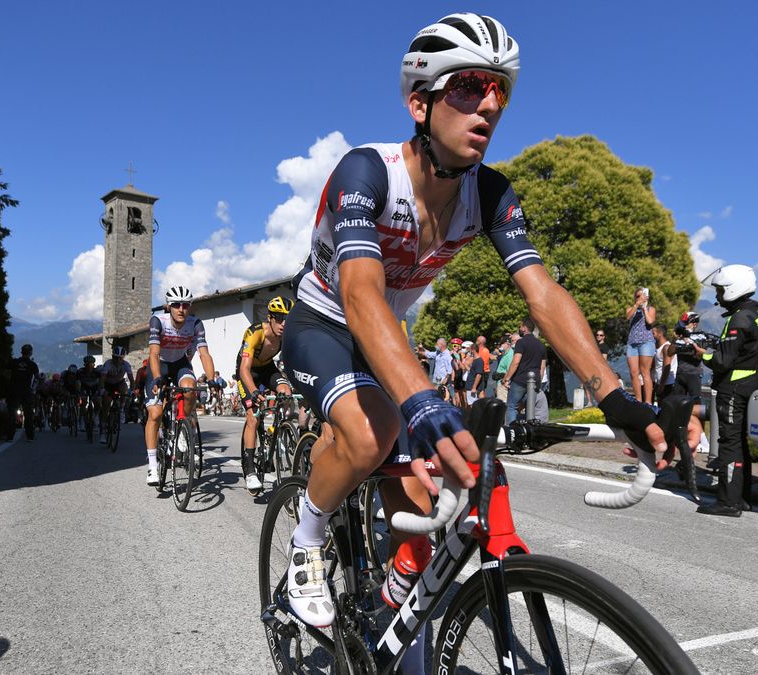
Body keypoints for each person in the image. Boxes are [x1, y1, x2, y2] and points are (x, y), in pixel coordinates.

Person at [279, 12, 665, 639]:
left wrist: (613, 395)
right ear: (419, 104)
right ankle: (308, 537)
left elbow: (542, 293)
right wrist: (422, 400)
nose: (487, 104)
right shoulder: (367, 172)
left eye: (499, 90)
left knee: (441, 496)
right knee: (375, 432)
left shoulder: (489, 193)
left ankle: (394, 611)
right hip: (324, 322)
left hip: (384, 336)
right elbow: (359, 291)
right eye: (466, 87)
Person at [698, 265, 758, 517]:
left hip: (734, 388)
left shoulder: (739, 318)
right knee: (740, 443)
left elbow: (722, 361)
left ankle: (728, 502)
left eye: (720, 290)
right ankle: (742, 498)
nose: (717, 296)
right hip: (752, 384)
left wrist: (702, 354)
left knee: (729, 443)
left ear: (732, 288)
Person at [143, 286, 217, 486]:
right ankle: (152, 466)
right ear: (169, 306)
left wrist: (211, 380)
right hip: (160, 365)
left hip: (180, 364)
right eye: (176, 305)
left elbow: (204, 353)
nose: (181, 309)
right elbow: (154, 353)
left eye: (185, 305)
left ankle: (183, 429)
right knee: (156, 414)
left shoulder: (195, 324)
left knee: (190, 388)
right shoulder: (158, 320)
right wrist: (157, 377)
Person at [236, 296, 294, 494]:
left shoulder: (287, 334)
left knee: (286, 393)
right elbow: (244, 369)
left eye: (287, 318)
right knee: (253, 417)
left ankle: (275, 431)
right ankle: (250, 469)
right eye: (278, 318)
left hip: (268, 369)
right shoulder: (255, 332)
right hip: (248, 371)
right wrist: (253, 391)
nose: (283, 323)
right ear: (270, 318)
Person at [502, 317, 548, 429]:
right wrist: (538, 381)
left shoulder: (521, 343)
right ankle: (529, 431)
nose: (519, 328)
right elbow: (542, 367)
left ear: (524, 328)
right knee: (530, 407)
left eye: (520, 326)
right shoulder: (541, 345)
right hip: (535, 380)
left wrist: (507, 378)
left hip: (520, 380)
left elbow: (515, 362)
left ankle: (512, 432)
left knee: (512, 406)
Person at [625, 288, 657, 404]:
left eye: (642, 296)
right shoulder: (630, 309)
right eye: (638, 296)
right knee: (634, 373)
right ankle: (638, 400)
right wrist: (636, 305)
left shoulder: (650, 309)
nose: (640, 298)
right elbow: (628, 317)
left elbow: (650, 321)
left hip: (646, 343)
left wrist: (644, 307)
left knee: (645, 372)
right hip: (632, 343)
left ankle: (648, 402)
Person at [98, 345, 134, 437]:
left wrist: (131, 390)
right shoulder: (108, 364)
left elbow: (131, 379)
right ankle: (103, 430)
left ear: (123, 358)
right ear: (113, 356)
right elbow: (102, 378)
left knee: (124, 389)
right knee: (106, 405)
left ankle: (121, 408)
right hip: (108, 384)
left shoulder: (126, 364)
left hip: (119, 384)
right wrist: (102, 390)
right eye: (116, 358)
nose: (118, 360)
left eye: (120, 358)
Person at [7, 344, 40, 442]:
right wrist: (33, 389)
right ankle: (30, 436)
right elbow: (37, 378)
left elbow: (6, 371)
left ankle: (9, 437)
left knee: (12, 415)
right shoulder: (32, 365)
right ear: (30, 353)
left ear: (21, 352)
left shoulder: (14, 362)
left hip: (14, 391)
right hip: (26, 392)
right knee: (28, 415)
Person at [651, 323, 675, 404]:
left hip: (667, 384)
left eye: (653, 333)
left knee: (665, 410)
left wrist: (662, 385)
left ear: (660, 334)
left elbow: (667, 367)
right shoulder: (658, 348)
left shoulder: (666, 347)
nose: (652, 336)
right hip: (659, 382)